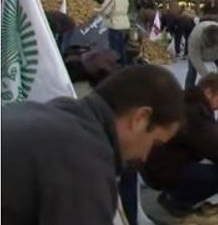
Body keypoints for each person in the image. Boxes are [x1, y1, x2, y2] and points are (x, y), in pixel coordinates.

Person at [2, 65, 184, 225]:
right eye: (155, 143)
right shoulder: (83, 160)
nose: (145, 157)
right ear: (140, 118)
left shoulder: (57, 115)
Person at [142, 74, 218, 217]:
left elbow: (217, 144)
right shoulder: (195, 114)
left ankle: (175, 195)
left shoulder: (187, 103)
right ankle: (176, 200)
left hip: (158, 167)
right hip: (162, 171)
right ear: (208, 92)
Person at [186, 21, 218, 89]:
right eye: (208, 46)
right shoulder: (195, 35)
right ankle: (188, 92)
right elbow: (195, 57)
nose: (210, 48)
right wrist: (206, 76)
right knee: (191, 71)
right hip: (199, 52)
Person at [97, 0, 130, 66]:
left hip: (115, 25)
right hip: (125, 25)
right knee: (122, 49)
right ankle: (124, 67)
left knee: (115, 50)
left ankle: (116, 68)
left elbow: (105, 10)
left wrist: (97, 11)